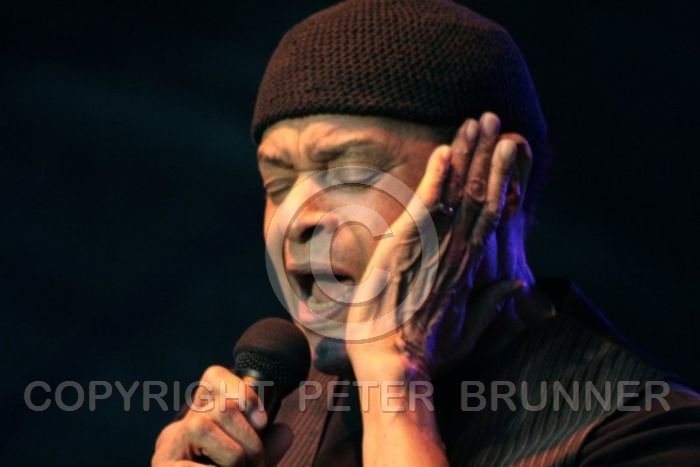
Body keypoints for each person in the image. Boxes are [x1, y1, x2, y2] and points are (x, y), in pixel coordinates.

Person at [152, 1, 700, 465]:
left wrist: (395, 387)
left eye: (351, 174)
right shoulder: (262, 423)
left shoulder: (651, 431)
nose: (296, 218)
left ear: (499, 183)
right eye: (277, 183)